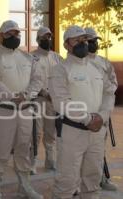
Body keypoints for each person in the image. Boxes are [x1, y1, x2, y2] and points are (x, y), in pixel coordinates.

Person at [49, 25, 116, 199]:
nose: (83, 43)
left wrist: (102, 115)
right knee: (67, 181)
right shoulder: (60, 70)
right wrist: (87, 119)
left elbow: (109, 93)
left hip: (97, 132)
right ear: (66, 45)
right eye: (77, 40)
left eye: (84, 40)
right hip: (72, 132)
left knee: (92, 180)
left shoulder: (96, 68)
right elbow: (61, 101)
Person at [0, 20, 43, 199]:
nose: (14, 37)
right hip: (4, 110)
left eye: (17, 34)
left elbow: (37, 79)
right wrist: (11, 97)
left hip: (25, 110)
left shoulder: (27, 58)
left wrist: (26, 95)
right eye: (9, 34)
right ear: (0, 36)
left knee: (24, 147)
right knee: (0, 149)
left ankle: (24, 186)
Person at [85, 27, 118, 192]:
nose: (94, 44)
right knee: (80, 152)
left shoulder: (104, 62)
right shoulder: (78, 62)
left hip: (101, 114)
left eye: (95, 41)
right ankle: (78, 183)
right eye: (90, 41)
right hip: (83, 115)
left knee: (99, 150)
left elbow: (113, 83)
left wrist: (106, 101)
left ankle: (101, 178)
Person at [30, 27, 63, 174]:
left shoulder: (57, 57)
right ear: (37, 40)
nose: (47, 40)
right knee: (35, 132)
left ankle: (51, 161)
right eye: (44, 38)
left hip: (53, 101)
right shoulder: (31, 57)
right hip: (37, 100)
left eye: (49, 37)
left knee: (51, 132)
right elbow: (29, 79)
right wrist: (42, 91)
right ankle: (32, 162)